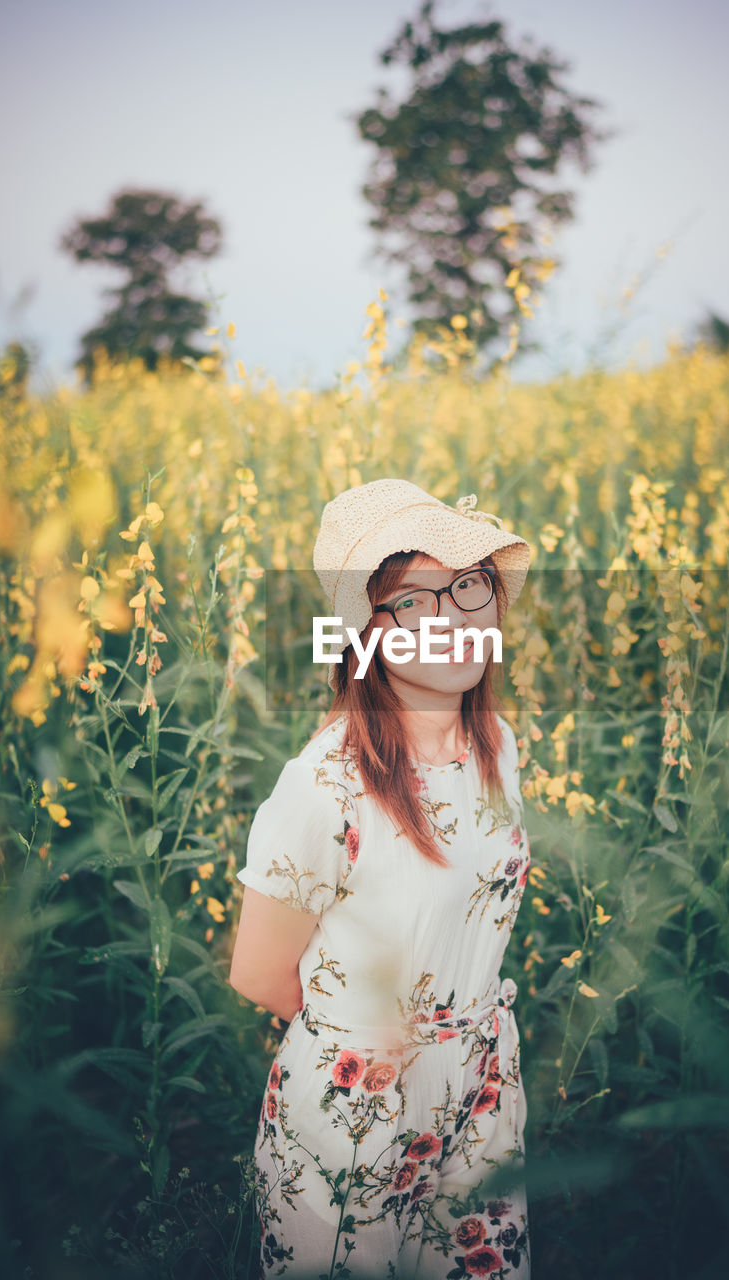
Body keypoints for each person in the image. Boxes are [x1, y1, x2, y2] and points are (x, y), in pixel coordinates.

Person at [229, 478, 533, 1279]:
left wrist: (455, 1050)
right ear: (365, 633)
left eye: (467, 586)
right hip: (354, 1113)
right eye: (412, 600)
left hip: (481, 1095)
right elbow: (258, 973)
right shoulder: (323, 786)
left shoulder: (498, 746)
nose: (453, 622)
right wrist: (379, 1041)